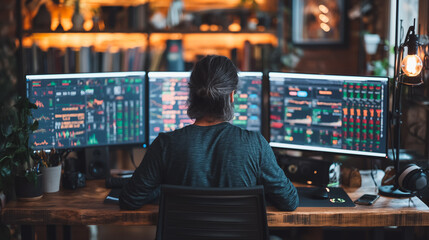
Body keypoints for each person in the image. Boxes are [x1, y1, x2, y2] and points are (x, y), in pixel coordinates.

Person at [119, 55, 299, 211]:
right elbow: (289, 201)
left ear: (192, 95)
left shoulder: (165, 145)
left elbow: (129, 200)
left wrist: (164, 187)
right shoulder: (255, 145)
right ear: (231, 96)